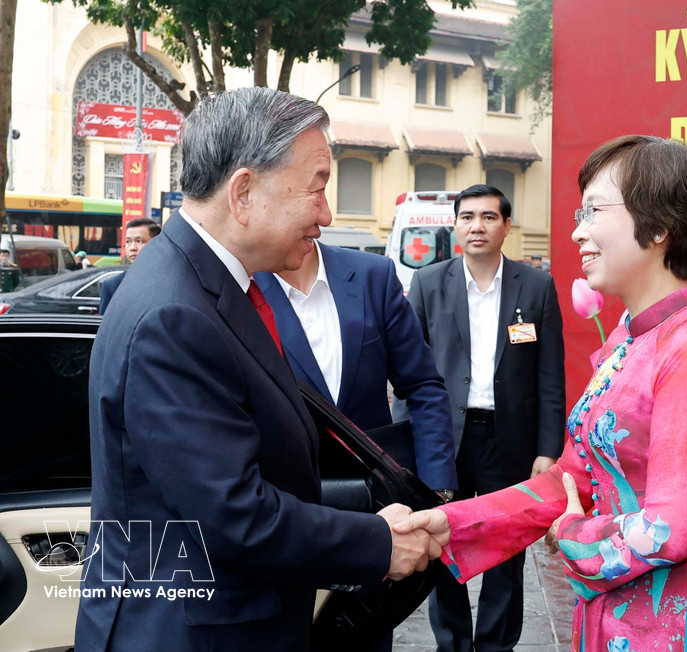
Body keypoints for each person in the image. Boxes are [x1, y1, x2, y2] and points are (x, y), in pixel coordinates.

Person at [76, 87, 440, 651]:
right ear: (243, 191)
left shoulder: (207, 287)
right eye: (317, 185)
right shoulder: (175, 313)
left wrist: (374, 510)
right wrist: (377, 543)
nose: (327, 212)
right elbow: (235, 515)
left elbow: (262, 463)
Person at [395, 136, 687, 651]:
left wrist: (571, 534)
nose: (578, 231)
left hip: (679, 632)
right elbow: (573, 478)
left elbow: (670, 528)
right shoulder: (631, 337)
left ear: (659, 226)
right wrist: (451, 523)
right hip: (612, 622)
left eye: (594, 211)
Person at [254, 235, 458, 652]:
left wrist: (437, 489)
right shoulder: (244, 285)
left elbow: (422, 385)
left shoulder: (372, 276)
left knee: (365, 635)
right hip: (288, 511)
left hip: (374, 509)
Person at [397, 183, 566, 652]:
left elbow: (550, 376)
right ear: (455, 225)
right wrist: (410, 444)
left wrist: (547, 451)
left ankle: (495, 646)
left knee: (506, 553)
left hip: (509, 441)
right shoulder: (429, 284)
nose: (477, 226)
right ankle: (451, 644)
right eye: (467, 217)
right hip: (443, 439)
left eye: (489, 217)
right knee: (442, 545)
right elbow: (408, 373)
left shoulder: (535, 286)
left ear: (506, 226)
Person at [98, 217, 161, 314]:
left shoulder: (170, 282)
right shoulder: (113, 286)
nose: (132, 248)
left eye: (139, 241)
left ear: (156, 244)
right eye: (128, 241)